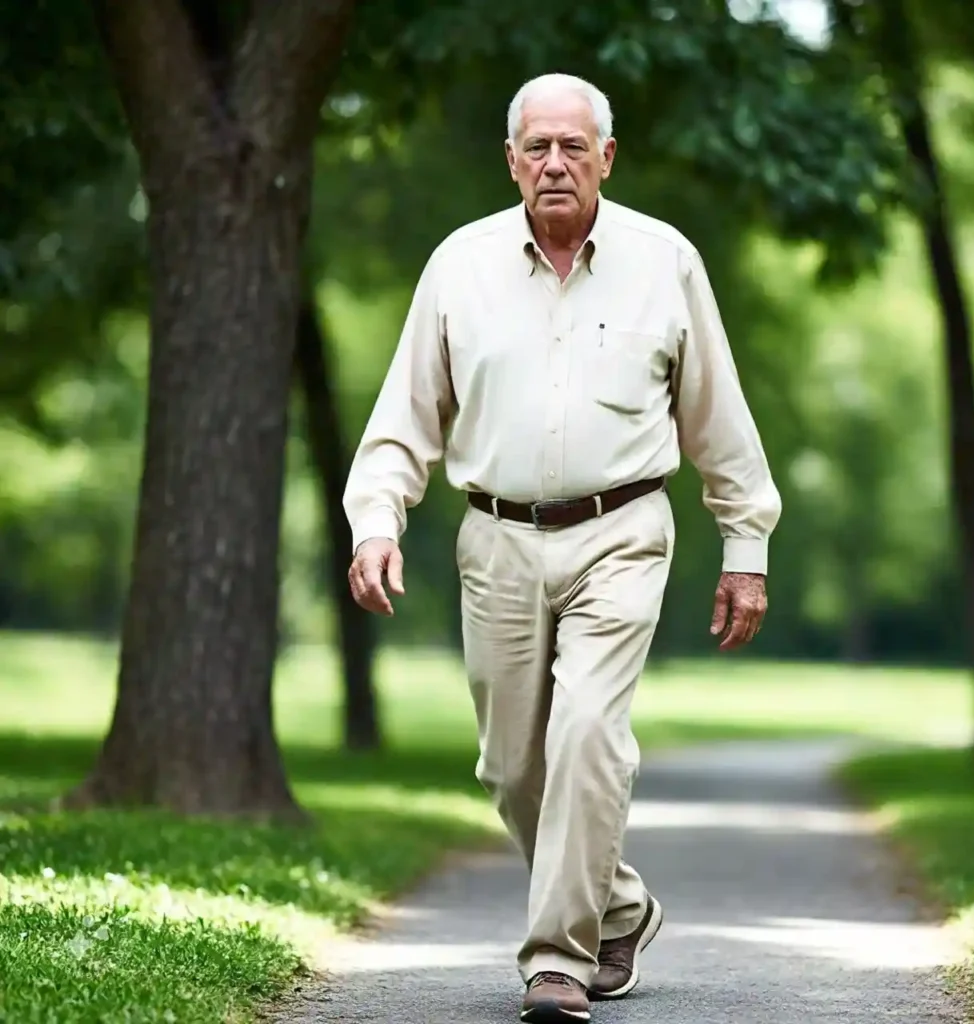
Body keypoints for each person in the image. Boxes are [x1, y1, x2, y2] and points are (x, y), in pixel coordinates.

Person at [343, 72, 782, 1024]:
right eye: (536, 147)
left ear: (606, 158)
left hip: (623, 530)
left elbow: (718, 417)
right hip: (494, 535)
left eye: (572, 148)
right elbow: (405, 416)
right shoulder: (458, 265)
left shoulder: (665, 260)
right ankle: (620, 905)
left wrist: (744, 542)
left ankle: (558, 959)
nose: (553, 164)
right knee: (512, 766)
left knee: (587, 734)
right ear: (510, 161)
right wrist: (376, 520)